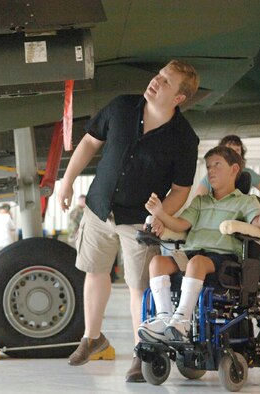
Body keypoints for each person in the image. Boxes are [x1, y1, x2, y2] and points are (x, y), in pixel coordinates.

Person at [58, 60, 200, 381]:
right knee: (95, 272)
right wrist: (66, 182)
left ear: (179, 97)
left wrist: (162, 214)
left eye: (166, 82)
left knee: (139, 288)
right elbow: (89, 143)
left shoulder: (184, 138)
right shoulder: (122, 106)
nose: (156, 82)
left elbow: (180, 190)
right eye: (159, 75)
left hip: (139, 221)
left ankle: (141, 353)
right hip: (98, 208)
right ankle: (92, 338)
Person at [138, 146, 260, 344]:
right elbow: (181, 225)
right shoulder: (200, 201)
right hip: (192, 255)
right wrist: (160, 213)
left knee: (196, 262)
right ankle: (164, 318)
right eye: (209, 166)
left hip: (223, 260)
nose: (210, 171)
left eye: (217, 165)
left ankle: (182, 321)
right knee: (157, 262)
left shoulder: (245, 202)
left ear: (234, 169)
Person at [195, 135, 260, 197]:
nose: (233, 153)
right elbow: (197, 198)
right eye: (229, 149)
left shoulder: (248, 174)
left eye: (237, 150)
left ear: (241, 153)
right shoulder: (212, 175)